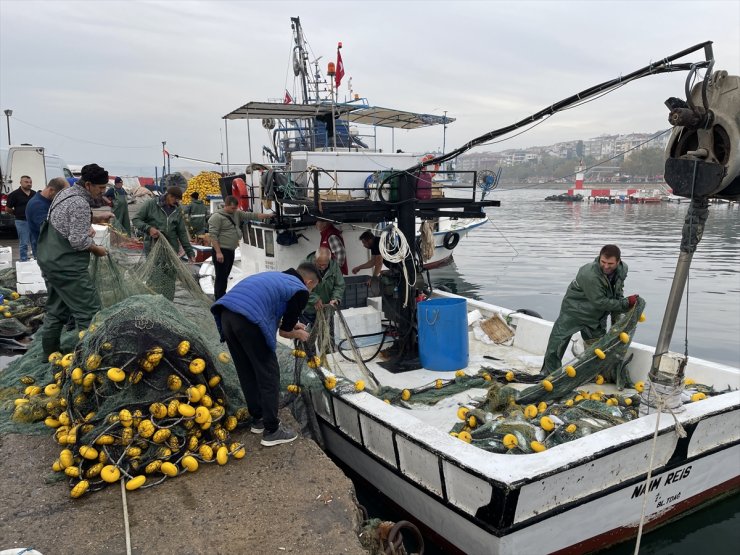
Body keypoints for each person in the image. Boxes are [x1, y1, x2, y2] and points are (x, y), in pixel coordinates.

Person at [211, 263, 321, 447]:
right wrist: (299, 334)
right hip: (248, 321)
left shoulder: (278, 278)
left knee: (247, 370)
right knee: (268, 373)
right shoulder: (300, 290)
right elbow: (285, 333)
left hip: (227, 316)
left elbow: (272, 313)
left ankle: (258, 419)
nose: (310, 291)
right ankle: (272, 430)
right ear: (308, 282)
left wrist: (292, 326)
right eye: (312, 288)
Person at [36, 164, 112, 357]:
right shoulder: (79, 203)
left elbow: (65, 222)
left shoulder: (65, 193)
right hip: (66, 265)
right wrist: (97, 249)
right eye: (100, 188)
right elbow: (78, 242)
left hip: (50, 259)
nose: (102, 192)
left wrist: (90, 221)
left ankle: (49, 354)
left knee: (56, 310)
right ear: (88, 184)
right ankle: (92, 358)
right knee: (90, 312)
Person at [540, 244, 639, 375]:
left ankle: (593, 373)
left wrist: (622, 303)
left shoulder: (622, 270)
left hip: (597, 316)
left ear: (618, 261)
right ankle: (549, 374)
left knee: (597, 346)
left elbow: (617, 290)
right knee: (558, 341)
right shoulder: (589, 274)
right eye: (603, 262)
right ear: (599, 258)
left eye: (610, 263)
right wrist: (625, 304)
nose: (606, 266)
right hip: (574, 310)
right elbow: (600, 302)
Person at [132, 186, 196, 301]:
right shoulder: (151, 205)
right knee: (155, 276)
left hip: (171, 249)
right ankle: (154, 302)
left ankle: (168, 302)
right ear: (169, 196)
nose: (176, 202)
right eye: (175, 199)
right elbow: (136, 219)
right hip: (153, 248)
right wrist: (148, 228)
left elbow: (182, 233)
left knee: (170, 277)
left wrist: (190, 251)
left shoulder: (177, 210)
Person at [207, 195, 269, 300]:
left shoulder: (236, 213)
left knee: (225, 275)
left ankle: (222, 296)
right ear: (225, 206)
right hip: (221, 250)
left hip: (231, 251)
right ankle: (219, 299)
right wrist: (218, 252)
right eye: (232, 208)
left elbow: (250, 215)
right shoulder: (216, 217)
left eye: (236, 208)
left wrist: (267, 216)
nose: (235, 210)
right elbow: (213, 235)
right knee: (221, 277)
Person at [25, 177, 68, 258]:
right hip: (46, 252)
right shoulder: (37, 205)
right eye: (61, 195)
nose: (62, 198)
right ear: (51, 190)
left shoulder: (48, 201)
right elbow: (48, 230)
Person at [302, 247, 345, 325]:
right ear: (315, 259)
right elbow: (300, 287)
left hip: (327, 310)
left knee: (329, 335)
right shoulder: (305, 266)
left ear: (329, 260)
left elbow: (339, 285)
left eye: (325, 265)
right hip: (309, 310)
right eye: (319, 264)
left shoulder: (334, 266)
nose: (322, 267)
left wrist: (335, 298)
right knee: (308, 335)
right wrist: (314, 299)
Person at [6, 175, 36, 261]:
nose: (29, 184)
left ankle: (37, 259)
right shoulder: (14, 194)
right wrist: (17, 213)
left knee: (35, 242)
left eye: (30, 182)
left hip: (33, 222)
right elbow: (7, 209)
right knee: (24, 243)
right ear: (21, 182)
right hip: (21, 221)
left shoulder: (34, 194)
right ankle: (23, 260)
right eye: (26, 182)